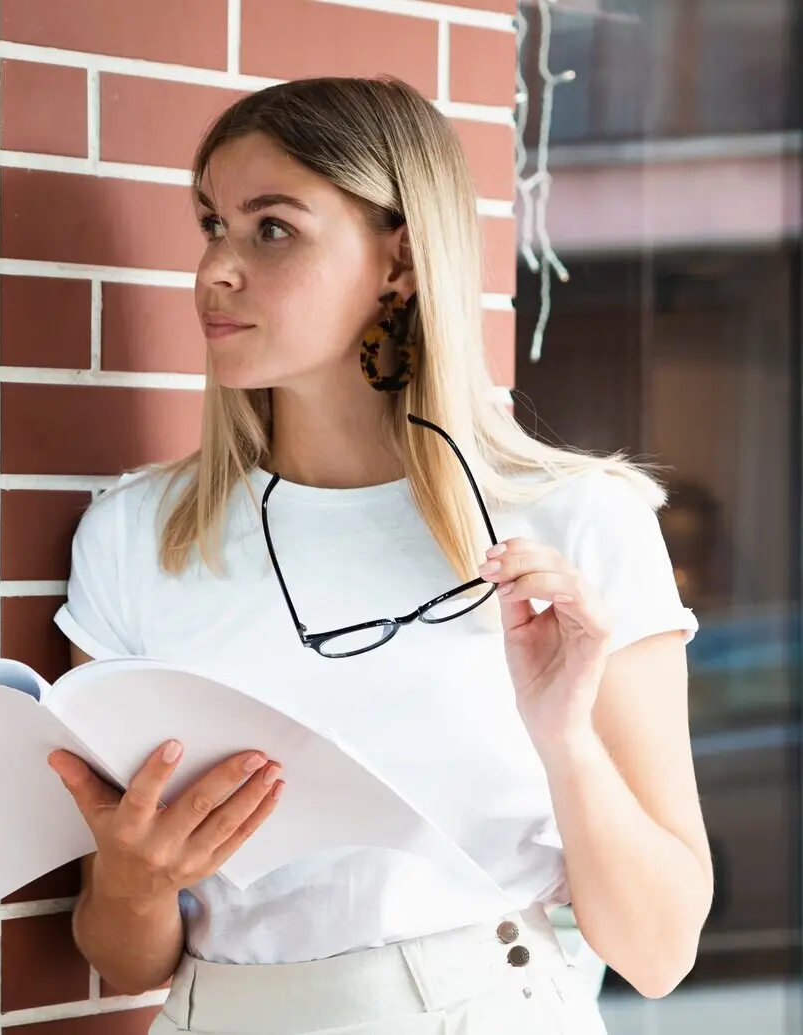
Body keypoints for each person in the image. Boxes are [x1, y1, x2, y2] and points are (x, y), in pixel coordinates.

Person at [43, 76, 713, 1035]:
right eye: (210, 226)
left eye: (272, 229)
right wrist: (138, 877)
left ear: (397, 262)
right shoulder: (137, 538)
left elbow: (657, 952)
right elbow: (122, 955)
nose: (214, 271)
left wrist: (564, 737)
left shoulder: (577, 522)